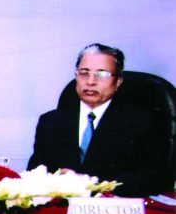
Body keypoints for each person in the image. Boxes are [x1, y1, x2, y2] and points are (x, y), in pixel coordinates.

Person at [27, 43, 170, 197]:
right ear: (76, 76)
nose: (90, 81)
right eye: (84, 73)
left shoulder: (143, 122)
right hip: (61, 212)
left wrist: (88, 183)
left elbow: (155, 180)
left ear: (118, 82)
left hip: (115, 211)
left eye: (102, 74)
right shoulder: (51, 121)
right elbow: (34, 175)